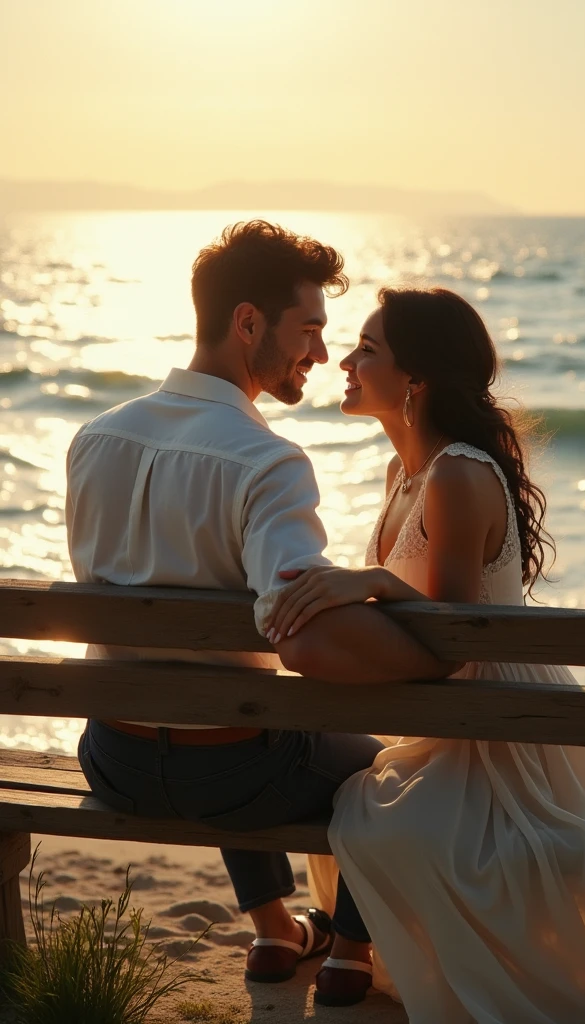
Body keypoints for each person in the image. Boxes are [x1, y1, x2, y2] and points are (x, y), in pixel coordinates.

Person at [267, 286, 585, 1023]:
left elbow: (463, 639)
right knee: (360, 796)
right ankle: (349, 950)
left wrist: (367, 583)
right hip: (447, 714)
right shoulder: (405, 471)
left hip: (499, 723)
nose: (346, 362)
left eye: (368, 350)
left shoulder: (457, 473)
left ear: (416, 381)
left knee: (374, 811)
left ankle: (350, 951)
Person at [66, 224, 450, 1009]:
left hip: (113, 761)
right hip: (237, 780)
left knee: (233, 709)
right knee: (391, 770)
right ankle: (346, 951)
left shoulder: (91, 441)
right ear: (248, 324)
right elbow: (305, 637)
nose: (318, 352)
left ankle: (277, 930)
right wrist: (429, 661)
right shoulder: (265, 460)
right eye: (308, 330)